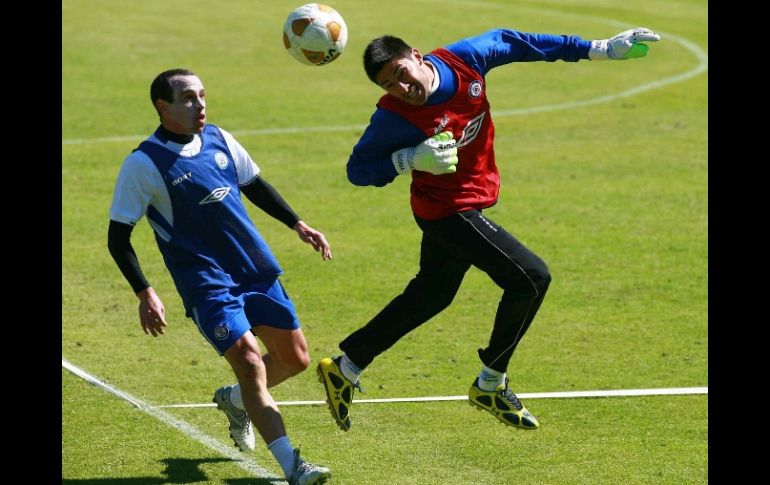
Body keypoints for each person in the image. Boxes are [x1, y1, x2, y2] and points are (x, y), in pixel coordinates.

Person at [317, 28, 661, 431]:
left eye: (401, 72)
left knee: (432, 295)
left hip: (464, 202)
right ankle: (491, 384)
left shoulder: (466, 60)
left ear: (416, 54)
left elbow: (517, 42)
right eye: (389, 84)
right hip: (448, 212)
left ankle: (346, 366)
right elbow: (357, 171)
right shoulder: (393, 118)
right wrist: (408, 159)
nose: (402, 87)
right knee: (531, 278)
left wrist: (599, 49)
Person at [108, 68, 333, 485]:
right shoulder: (144, 164)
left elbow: (255, 185)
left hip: (255, 268)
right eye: (188, 98)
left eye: (202, 95)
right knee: (250, 363)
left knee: (295, 359)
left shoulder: (220, 139)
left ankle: (234, 401)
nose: (200, 104)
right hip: (206, 282)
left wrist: (298, 224)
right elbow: (118, 236)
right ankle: (293, 466)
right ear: (163, 107)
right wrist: (146, 292)